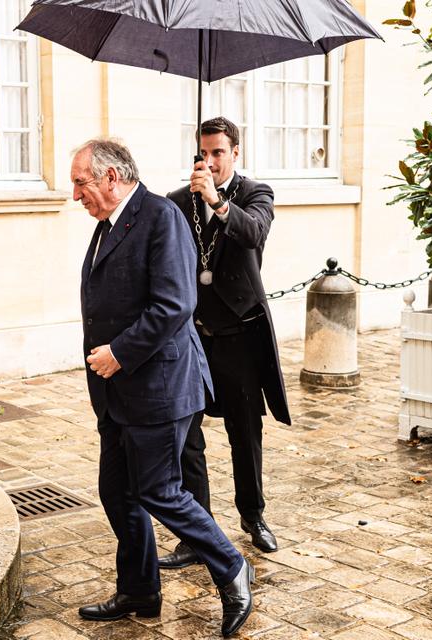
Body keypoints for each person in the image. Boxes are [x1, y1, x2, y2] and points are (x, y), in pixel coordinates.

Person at [71, 138, 255, 636]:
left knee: (160, 491)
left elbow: (175, 304)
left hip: (159, 386)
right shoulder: (106, 226)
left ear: (111, 177)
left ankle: (232, 566)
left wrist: (119, 352)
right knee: (117, 493)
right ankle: (139, 590)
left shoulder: (161, 217)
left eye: (81, 182)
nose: (75, 195)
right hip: (116, 392)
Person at [159, 117, 291, 570]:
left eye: (219, 152)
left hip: (238, 335)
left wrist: (216, 202)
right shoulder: (178, 202)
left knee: (244, 432)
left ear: (236, 153)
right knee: (187, 436)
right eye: (204, 152)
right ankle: (198, 533)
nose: (210, 161)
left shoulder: (256, 194)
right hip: (194, 338)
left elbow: (253, 234)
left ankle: (253, 516)